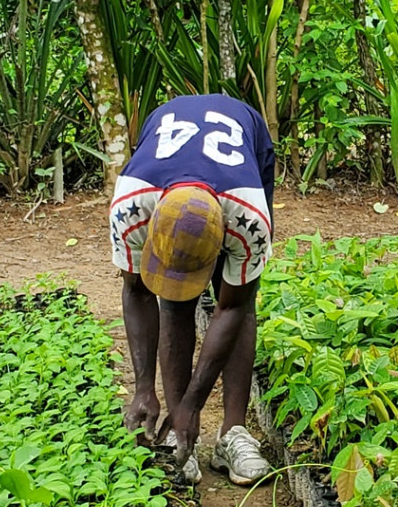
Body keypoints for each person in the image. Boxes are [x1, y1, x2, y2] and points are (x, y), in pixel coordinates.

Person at [109, 93, 276, 485]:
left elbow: (232, 309)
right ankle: (179, 436)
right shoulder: (131, 206)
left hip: (246, 148)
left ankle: (232, 432)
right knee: (173, 301)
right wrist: (143, 389)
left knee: (236, 294)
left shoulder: (249, 216)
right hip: (166, 157)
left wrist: (192, 403)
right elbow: (136, 292)